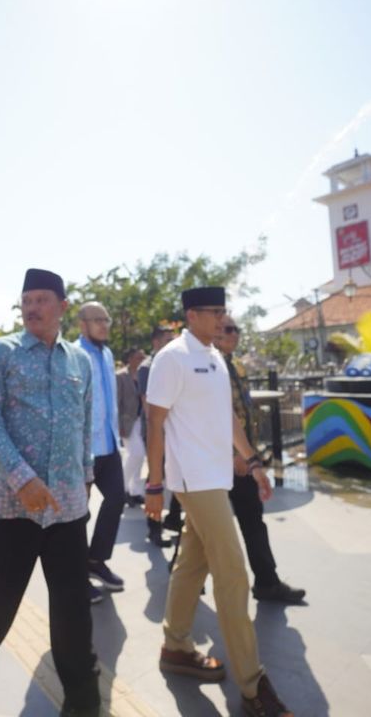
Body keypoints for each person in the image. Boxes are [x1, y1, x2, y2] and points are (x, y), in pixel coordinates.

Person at [0, 268, 100, 717]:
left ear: (62, 307)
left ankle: (82, 698)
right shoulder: (0, 352)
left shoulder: (80, 361)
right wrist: (23, 479)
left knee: (73, 608)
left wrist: (86, 477)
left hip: (66, 510)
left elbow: (83, 424)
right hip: (7, 508)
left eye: (41, 300)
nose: (32, 308)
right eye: (27, 300)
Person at [144, 286, 292, 717]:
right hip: (194, 480)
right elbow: (155, 422)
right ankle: (252, 685)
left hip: (218, 476)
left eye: (224, 313)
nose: (222, 321)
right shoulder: (172, 358)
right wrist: (154, 485)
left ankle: (175, 646)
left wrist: (253, 461)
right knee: (233, 574)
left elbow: (226, 417)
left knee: (193, 564)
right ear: (192, 315)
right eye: (214, 313)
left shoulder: (214, 358)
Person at [214, 315, 306, 605]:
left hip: (242, 461)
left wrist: (251, 455)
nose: (235, 334)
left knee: (253, 521)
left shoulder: (236, 366)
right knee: (203, 530)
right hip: (219, 462)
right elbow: (212, 416)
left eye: (237, 329)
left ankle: (267, 582)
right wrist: (233, 454)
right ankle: (185, 580)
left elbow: (243, 414)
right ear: (215, 332)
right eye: (229, 329)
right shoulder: (209, 366)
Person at [76, 302, 127, 601]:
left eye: (106, 319)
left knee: (117, 498)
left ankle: (96, 560)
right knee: (78, 514)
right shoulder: (73, 354)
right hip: (83, 449)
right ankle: (76, 575)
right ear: (82, 324)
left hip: (109, 444)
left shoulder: (107, 354)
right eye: (97, 320)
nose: (104, 325)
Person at [136, 323, 176, 548]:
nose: (172, 344)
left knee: (179, 473)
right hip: (156, 433)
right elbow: (149, 408)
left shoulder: (174, 363)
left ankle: (172, 519)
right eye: (168, 340)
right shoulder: (147, 367)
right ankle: (154, 527)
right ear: (156, 342)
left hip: (174, 431)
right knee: (156, 477)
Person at [117, 348, 146, 507]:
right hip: (128, 421)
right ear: (130, 359)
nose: (141, 360)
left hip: (142, 420)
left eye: (142, 357)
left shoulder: (144, 374)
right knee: (136, 454)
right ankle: (121, 489)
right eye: (138, 357)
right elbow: (117, 401)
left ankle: (135, 491)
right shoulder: (121, 376)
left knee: (139, 458)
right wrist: (119, 424)